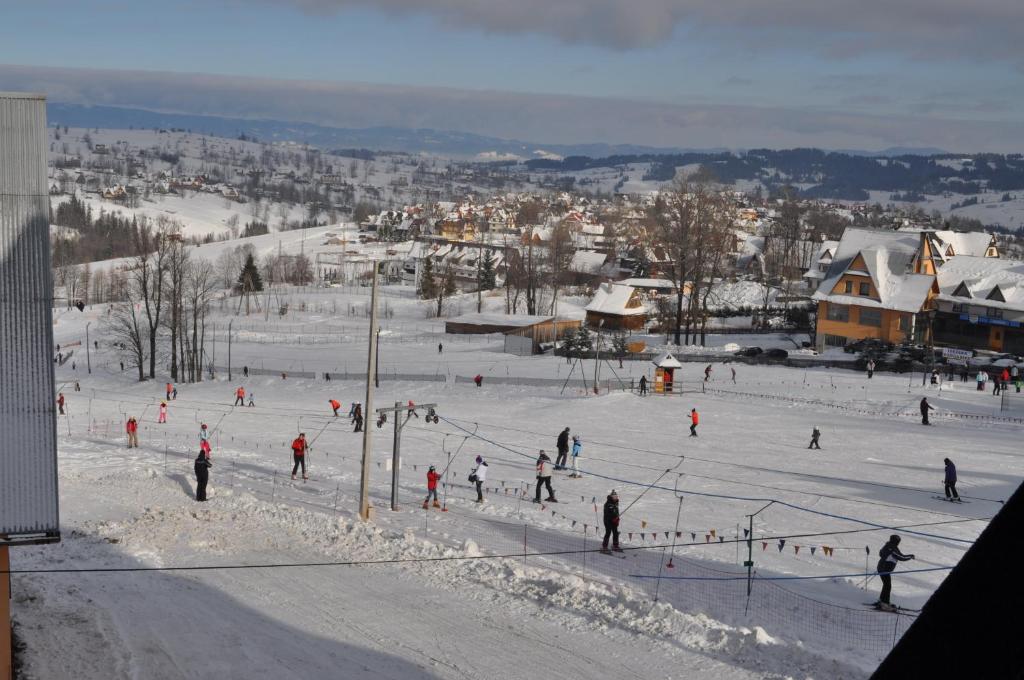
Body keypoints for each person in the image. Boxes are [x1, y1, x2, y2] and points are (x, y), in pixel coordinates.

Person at [875, 535, 915, 610]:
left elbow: (880, 553)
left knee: (886, 585)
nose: (898, 543)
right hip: (885, 569)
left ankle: (882, 600)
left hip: (881, 568)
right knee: (888, 585)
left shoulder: (887, 545)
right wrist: (910, 556)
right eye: (898, 541)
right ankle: (885, 603)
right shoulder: (893, 548)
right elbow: (901, 557)